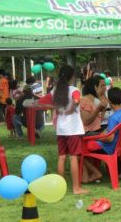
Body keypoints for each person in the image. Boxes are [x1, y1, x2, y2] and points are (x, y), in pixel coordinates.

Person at [52, 65, 88, 194]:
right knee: (73, 158)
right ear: (72, 77)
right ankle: (76, 188)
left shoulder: (55, 90)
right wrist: (71, 109)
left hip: (61, 129)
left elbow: (55, 108)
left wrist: (64, 111)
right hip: (72, 129)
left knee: (61, 157)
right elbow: (77, 100)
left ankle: (60, 188)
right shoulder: (73, 89)